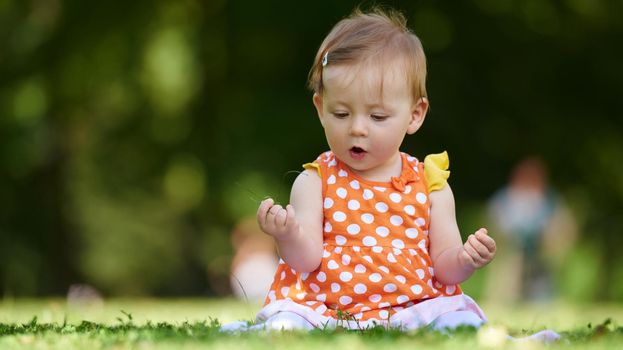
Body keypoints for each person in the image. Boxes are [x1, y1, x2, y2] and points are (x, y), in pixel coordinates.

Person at [221, 8, 497, 332]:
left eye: (377, 117)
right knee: (287, 325)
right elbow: (306, 260)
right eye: (341, 114)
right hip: (326, 309)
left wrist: (465, 259)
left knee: (460, 322)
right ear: (321, 109)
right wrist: (288, 234)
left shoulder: (429, 185)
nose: (358, 129)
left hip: (414, 308)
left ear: (415, 114)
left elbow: (444, 266)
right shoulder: (315, 181)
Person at [485, 157, 577, 303]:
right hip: (512, 249)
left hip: (541, 251)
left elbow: (564, 224)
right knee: (511, 269)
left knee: (541, 290)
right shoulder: (505, 198)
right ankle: (505, 299)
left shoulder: (549, 199)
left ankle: (540, 296)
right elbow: (496, 223)